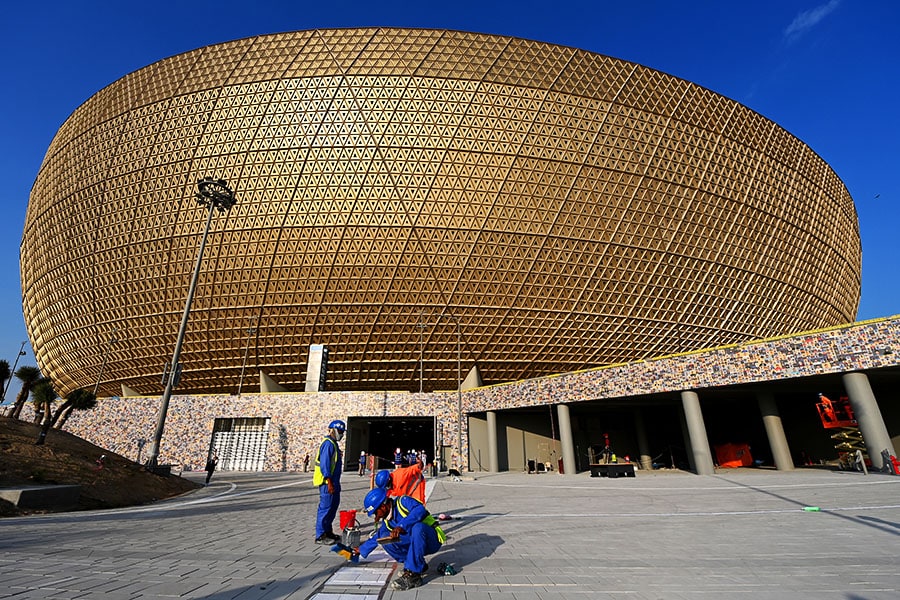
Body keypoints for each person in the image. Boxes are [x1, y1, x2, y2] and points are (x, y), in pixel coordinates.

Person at [358, 487, 445, 590]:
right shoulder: (387, 521)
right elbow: (376, 538)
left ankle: (413, 575)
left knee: (418, 528)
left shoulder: (403, 502)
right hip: (417, 544)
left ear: (383, 506)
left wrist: (402, 526)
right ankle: (417, 565)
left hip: (432, 539)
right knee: (384, 537)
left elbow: (420, 509)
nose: (376, 517)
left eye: (376, 513)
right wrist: (360, 550)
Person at [314, 419, 346, 544]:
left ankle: (328, 531)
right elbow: (325, 465)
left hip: (334, 481)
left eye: (343, 432)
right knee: (325, 508)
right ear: (332, 430)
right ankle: (320, 535)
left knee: (333, 507)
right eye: (340, 431)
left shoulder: (333, 444)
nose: (341, 434)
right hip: (327, 482)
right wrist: (329, 482)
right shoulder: (328, 443)